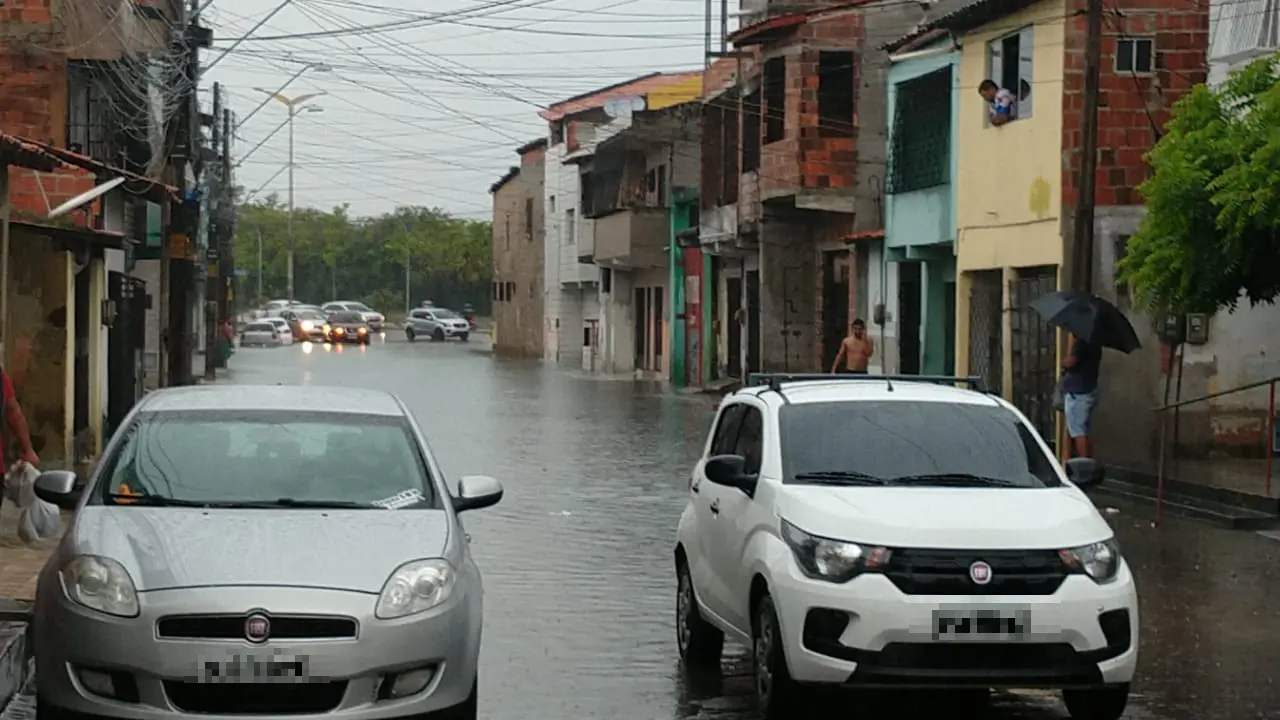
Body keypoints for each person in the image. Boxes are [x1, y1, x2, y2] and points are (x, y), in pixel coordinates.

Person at [1061, 335, 1103, 458]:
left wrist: (1062, 362)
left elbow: (1071, 361)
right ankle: (1088, 463)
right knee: (1085, 431)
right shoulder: (1095, 342)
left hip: (1078, 393)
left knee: (1078, 432)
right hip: (1089, 390)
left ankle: (1084, 466)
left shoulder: (1081, 342)